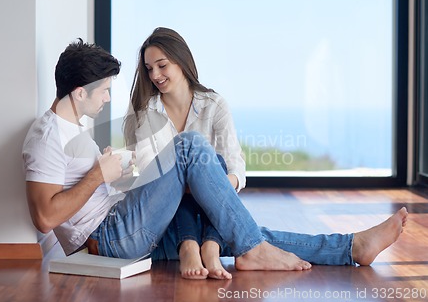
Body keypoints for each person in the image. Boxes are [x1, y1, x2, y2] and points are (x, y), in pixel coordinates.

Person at [22, 39, 408, 279]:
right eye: (103, 91)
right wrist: (98, 174)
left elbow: (228, 166)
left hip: (126, 224)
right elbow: (45, 217)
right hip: (107, 238)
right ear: (78, 92)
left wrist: (113, 171)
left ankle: (350, 247)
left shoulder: (71, 130)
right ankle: (241, 249)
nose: (107, 99)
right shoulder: (46, 136)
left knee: (245, 228)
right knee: (191, 149)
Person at [123, 27, 245, 280]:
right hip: (168, 209)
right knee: (181, 171)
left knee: (216, 163)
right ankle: (189, 245)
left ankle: (210, 246)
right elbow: (151, 175)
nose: (155, 75)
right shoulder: (147, 112)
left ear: (181, 61)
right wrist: (195, 180)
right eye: (149, 68)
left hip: (212, 205)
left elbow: (236, 169)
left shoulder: (214, 105)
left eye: (161, 65)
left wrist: (209, 185)